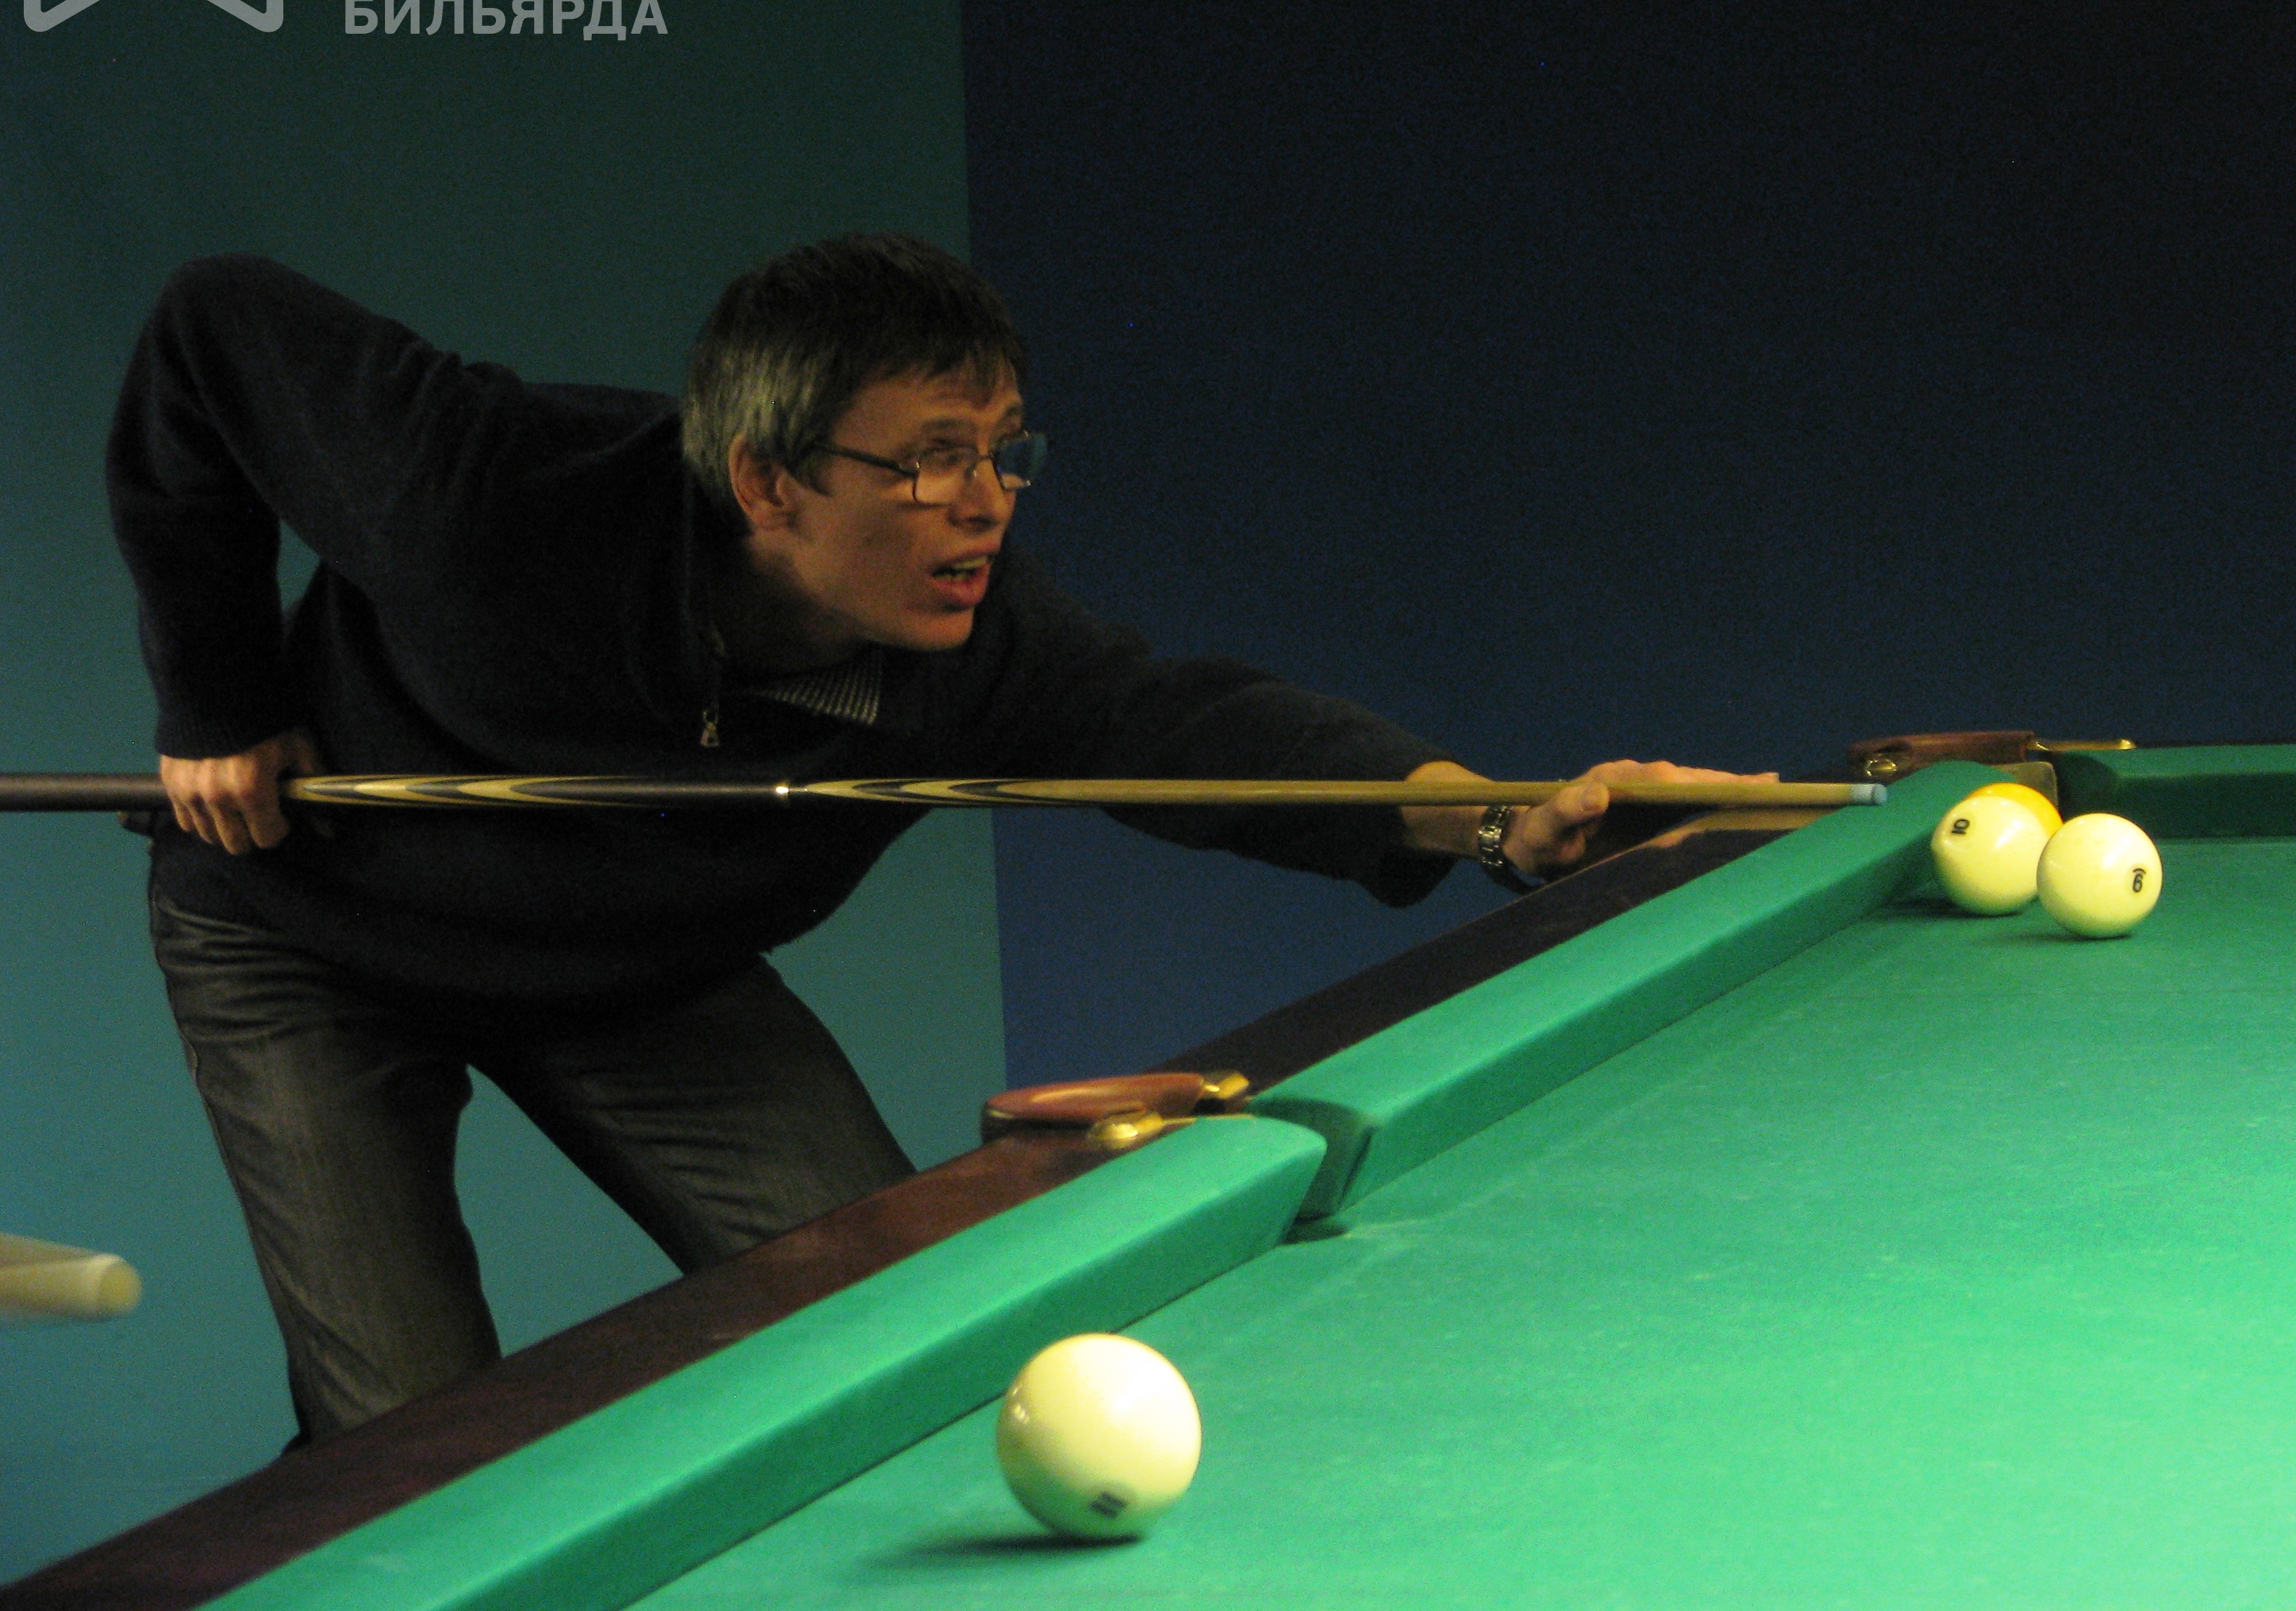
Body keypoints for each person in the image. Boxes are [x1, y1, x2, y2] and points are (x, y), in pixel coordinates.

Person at [108, 235, 1750, 1442]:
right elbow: (212, 325)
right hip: (311, 936)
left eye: (1003, 450)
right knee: (409, 1436)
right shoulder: (488, 494)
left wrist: (1497, 818)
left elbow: (1189, 730)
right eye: (931, 463)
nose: (988, 503)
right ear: (767, 482)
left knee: (914, 1327)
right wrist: (216, 696)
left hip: (640, 971)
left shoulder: (977, 646)